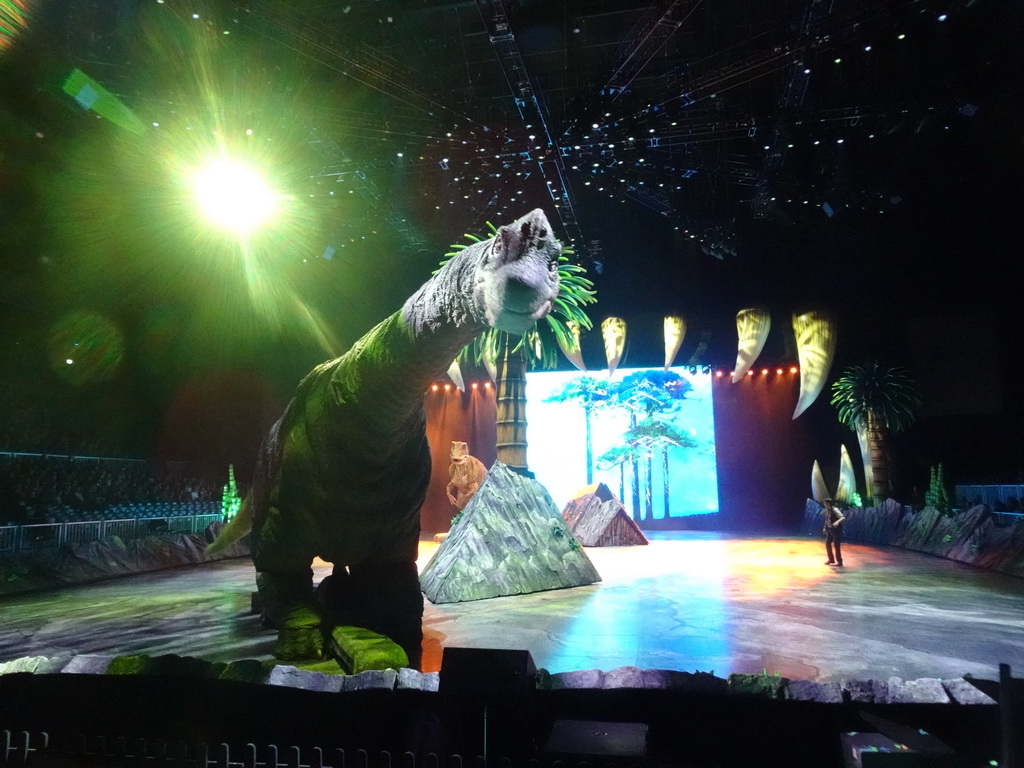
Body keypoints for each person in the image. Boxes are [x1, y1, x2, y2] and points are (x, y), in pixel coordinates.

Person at [822, 497, 845, 567]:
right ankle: (831, 559)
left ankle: (839, 561)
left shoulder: (835, 509)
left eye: (825, 503)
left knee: (836, 546)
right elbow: (827, 520)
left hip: (836, 530)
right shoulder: (828, 510)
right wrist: (825, 527)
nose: (824, 505)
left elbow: (842, 517)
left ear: (828, 503)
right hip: (830, 530)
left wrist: (837, 522)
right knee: (827, 544)